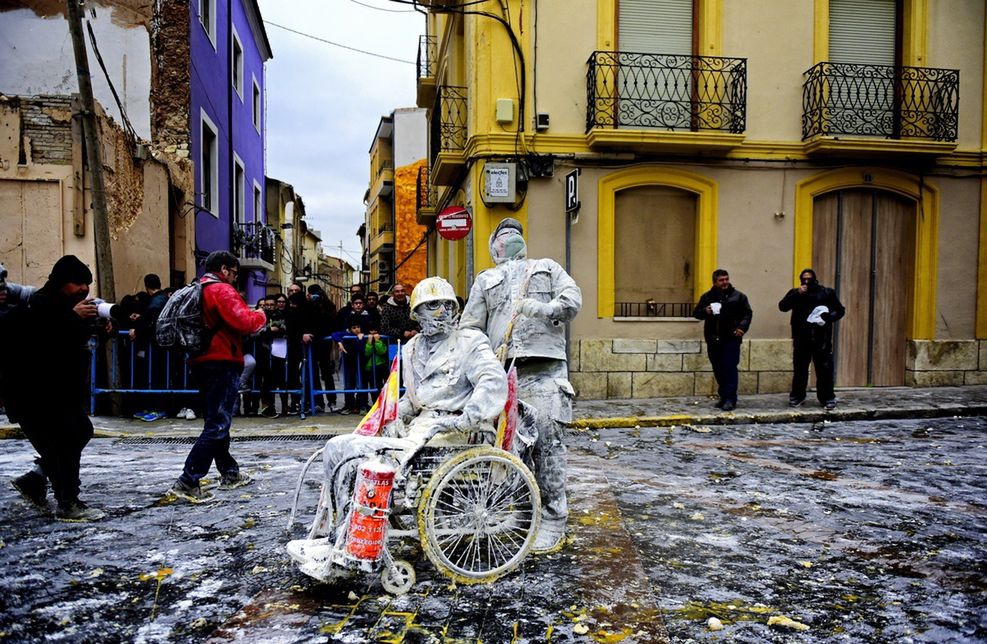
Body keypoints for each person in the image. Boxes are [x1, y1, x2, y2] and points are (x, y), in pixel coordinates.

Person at [286, 277, 507, 576]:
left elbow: (492, 380)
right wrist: (389, 417)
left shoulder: (470, 342)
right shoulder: (412, 348)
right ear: (417, 313)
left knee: (363, 459)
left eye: (445, 305)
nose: (440, 311)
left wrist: (467, 415)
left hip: (452, 428)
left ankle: (356, 547)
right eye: (431, 306)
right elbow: (411, 400)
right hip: (418, 427)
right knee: (339, 447)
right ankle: (334, 536)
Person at [460, 217, 582, 554]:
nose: (509, 238)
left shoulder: (547, 267)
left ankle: (554, 516)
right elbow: (470, 327)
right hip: (505, 374)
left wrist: (544, 309)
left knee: (548, 444)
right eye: (502, 234)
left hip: (546, 369)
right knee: (510, 448)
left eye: (514, 233)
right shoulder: (486, 279)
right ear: (493, 244)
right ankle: (525, 511)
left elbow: (572, 299)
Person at [1, 255, 106, 521]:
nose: (83, 289)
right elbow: (39, 344)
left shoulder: (67, 306)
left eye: (87, 284)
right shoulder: (36, 305)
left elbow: (73, 340)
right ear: (61, 282)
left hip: (59, 394)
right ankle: (68, 502)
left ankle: (36, 482)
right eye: (78, 282)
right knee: (65, 443)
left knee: (72, 437)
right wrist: (72, 318)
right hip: (34, 395)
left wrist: (98, 325)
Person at [169, 251, 266, 503]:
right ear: (224, 269)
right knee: (218, 423)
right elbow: (245, 322)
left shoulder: (197, 288)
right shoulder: (221, 290)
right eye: (234, 273)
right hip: (222, 358)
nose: (235, 279)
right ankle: (188, 480)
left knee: (215, 419)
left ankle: (229, 472)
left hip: (201, 359)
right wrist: (261, 315)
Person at [778, 268, 846, 410]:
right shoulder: (795, 293)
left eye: (809, 279)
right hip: (802, 337)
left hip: (821, 338)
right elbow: (783, 306)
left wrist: (828, 318)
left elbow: (839, 310)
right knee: (800, 369)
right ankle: (797, 396)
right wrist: (797, 294)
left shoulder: (826, 293)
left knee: (824, 369)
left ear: (814, 279)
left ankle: (827, 397)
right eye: (804, 279)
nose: (806, 281)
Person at [693, 269, 753, 413]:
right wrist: (705, 311)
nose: (725, 282)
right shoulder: (707, 297)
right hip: (713, 338)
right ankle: (724, 395)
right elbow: (696, 313)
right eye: (721, 280)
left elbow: (747, 314)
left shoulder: (738, 297)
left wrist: (741, 328)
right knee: (718, 368)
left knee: (730, 367)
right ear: (715, 282)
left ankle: (730, 399)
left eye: (726, 279)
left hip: (732, 338)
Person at [333, 316, 368, 415]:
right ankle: (349, 405)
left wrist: (360, 340)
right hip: (348, 364)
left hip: (359, 364)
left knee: (360, 384)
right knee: (349, 385)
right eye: (354, 327)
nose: (356, 329)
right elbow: (334, 334)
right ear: (349, 329)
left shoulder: (362, 336)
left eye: (358, 327)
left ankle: (362, 406)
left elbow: (360, 349)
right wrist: (339, 342)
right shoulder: (346, 335)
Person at [362, 319, 390, 403]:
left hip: (381, 365)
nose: (373, 332)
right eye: (371, 330)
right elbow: (366, 353)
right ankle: (376, 403)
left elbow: (382, 351)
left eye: (375, 330)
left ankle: (384, 403)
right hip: (370, 367)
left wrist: (377, 341)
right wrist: (369, 342)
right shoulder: (366, 339)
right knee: (374, 386)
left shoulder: (382, 338)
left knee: (383, 386)